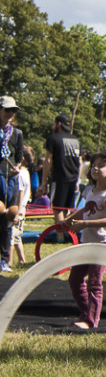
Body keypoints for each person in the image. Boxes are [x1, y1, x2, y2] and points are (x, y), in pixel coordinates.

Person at [64, 150, 106, 330]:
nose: (95, 168)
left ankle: (91, 320)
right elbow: (85, 209)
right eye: (93, 165)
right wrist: (69, 219)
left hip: (103, 243)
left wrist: (85, 223)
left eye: (101, 166)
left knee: (94, 282)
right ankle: (86, 312)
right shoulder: (89, 190)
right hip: (87, 241)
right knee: (75, 279)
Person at [0, 96, 24, 272]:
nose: (10, 113)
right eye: (7, 110)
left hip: (11, 179)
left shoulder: (17, 134)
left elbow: (19, 157)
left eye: (13, 111)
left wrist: (17, 167)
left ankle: (3, 259)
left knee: (9, 218)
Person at [43, 113, 81, 223]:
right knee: (67, 209)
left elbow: (48, 161)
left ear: (58, 124)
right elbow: (79, 161)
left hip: (59, 178)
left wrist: (44, 182)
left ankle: (60, 237)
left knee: (57, 208)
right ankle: (68, 233)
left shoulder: (53, 138)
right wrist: (78, 180)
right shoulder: (76, 140)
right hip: (73, 179)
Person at [10, 150, 32, 267]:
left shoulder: (21, 174)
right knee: (17, 236)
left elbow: (21, 193)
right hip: (21, 207)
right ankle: (22, 260)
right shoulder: (26, 172)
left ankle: (9, 261)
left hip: (19, 208)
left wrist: (17, 213)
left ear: (22, 159)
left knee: (12, 235)